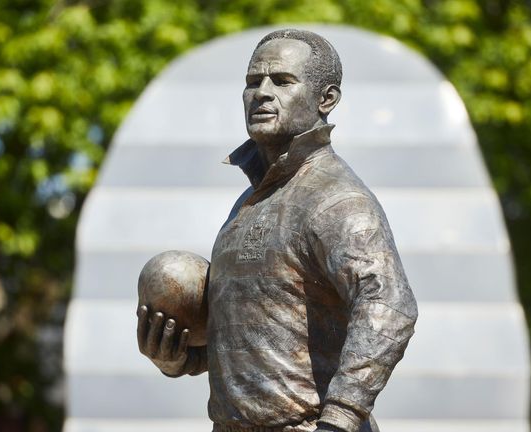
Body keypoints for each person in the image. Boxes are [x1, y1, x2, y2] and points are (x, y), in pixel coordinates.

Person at [137, 29, 418, 432]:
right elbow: (251, 346)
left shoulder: (335, 197)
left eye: (283, 81)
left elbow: (389, 305)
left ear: (327, 99)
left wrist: (339, 419)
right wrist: (178, 358)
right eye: (253, 82)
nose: (262, 93)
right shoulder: (249, 204)